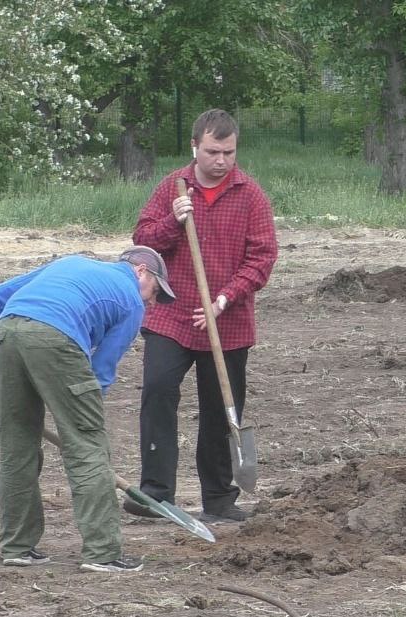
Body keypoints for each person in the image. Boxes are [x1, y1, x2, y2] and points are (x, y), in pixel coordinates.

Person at [0, 247, 177, 572]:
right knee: (87, 447)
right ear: (142, 271)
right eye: (155, 292)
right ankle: (102, 553)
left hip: (9, 332)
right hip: (57, 338)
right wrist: (83, 420)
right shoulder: (130, 301)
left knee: (17, 445)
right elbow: (101, 371)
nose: (152, 302)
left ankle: (17, 546)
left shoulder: (70, 263)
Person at [129, 108, 278, 524]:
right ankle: (155, 494)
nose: (222, 160)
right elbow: (142, 242)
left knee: (220, 408)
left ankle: (218, 498)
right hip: (171, 316)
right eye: (213, 151)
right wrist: (174, 222)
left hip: (227, 323)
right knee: (157, 392)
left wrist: (225, 299)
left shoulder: (251, 195)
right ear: (195, 146)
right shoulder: (172, 189)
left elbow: (263, 257)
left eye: (229, 152)